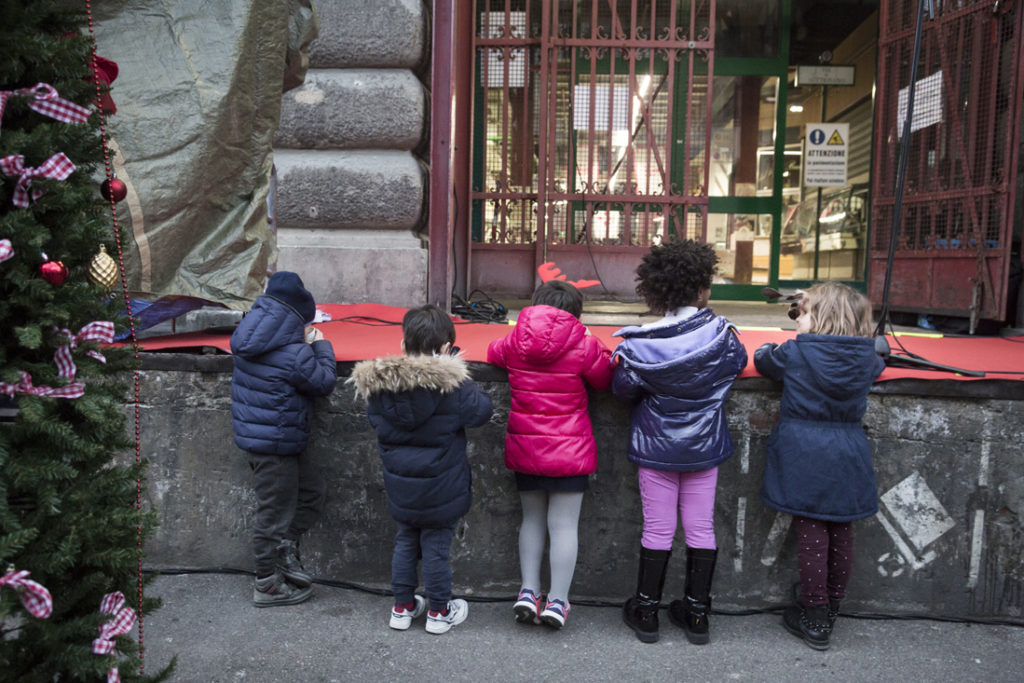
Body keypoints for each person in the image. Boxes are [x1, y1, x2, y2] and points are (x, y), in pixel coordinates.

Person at [612, 240, 748, 644]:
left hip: (656, 451)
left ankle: (647, 612)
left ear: (655, 291)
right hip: (705, 448)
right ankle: (698, 615)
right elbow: (738, 363)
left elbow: (622, 388)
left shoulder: (639, 345)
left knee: (657, 527)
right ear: (703, 290)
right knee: (701, 527)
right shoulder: (723, 336)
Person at [753, 282, 884, 651]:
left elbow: (765, 361)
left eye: (801, 312)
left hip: (804, 452)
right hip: (848, 450)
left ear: (821, 318)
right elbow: (879, 364)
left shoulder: (796, 353)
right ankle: (832, 606)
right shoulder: (868, 357)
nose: (797, 318)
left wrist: (766, 347)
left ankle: (814, 615)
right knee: (841, 530)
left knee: (811, 535)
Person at [349, 305, 493, 635]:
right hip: (443, 489)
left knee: (404, 542)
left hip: (402, 488)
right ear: (446, 347)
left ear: (403, 344)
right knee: (436, 551)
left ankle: (402, 607)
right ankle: (439, 612)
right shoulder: (453, 388)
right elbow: (483, 410)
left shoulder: (379, 386)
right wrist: (455, 369)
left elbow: (375, 420)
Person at [486, 281, 615, 629]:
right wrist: (592, 339)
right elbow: (604, 378)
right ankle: (557, 601)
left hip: (527, 449)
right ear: (577, 313)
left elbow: (491, 352)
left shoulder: (516, 341)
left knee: (531, 521)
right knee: (563, 526)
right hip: (570, 451)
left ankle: (528, 592)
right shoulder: (584, 344)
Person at [230, 271, 338, 607]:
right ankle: (267, 583)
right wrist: (320, 344)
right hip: (275, 444)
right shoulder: (294, 354)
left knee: (310, 491)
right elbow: (323, 382)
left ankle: (284, 550)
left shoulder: (248, 335)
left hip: (267, 438)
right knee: (272, 514)